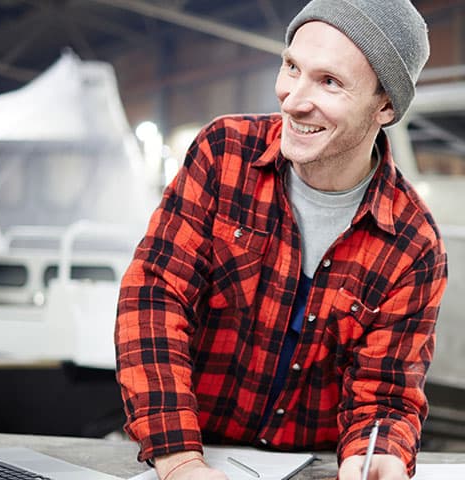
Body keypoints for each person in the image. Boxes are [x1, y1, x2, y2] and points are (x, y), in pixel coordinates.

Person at [114, 0, 448, 479]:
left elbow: (385, 393)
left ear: (386, 106)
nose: (293, 100)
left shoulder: (413, 244)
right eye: (292, 67)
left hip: (312, 467)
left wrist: (378, 456)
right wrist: (180, 461)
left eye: (329, 81)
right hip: (192, 452)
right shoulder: (223, 154)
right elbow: (154, 298)